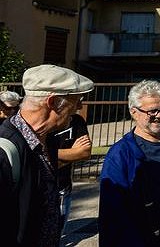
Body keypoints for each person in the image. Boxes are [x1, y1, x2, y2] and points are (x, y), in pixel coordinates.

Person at [0, 65, 94, 247]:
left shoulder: (47, 140)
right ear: (52, 102)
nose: (80, 107)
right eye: (76, 100)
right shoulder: (6, 148)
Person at [99, 80, 160, 247]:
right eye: (152, 111)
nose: (159, 115)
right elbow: (111, 212)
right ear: (134, 112)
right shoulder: (121, 154)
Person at [48, 102, 92, 234]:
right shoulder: (43, 123)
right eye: (76, 100)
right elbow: (34, 153)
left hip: (63, 187)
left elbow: (84, 152)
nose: (80, 106)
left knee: (58, 233)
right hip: (41, 189)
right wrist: (72, 152)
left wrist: (49, 154)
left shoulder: (77, 121)